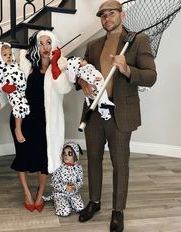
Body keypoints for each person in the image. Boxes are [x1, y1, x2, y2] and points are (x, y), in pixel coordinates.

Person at [76, 1, 157, 231]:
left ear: (121, 14)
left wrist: (127, 69)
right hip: (93, 113)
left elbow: (151, 76)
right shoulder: (93, 45)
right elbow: (81, 72)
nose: (107, 18)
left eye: (111, 13)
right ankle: (94, 202)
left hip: (120, 113)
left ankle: (118, 211)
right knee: (92, 159)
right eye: (103, 15)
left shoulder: (137, 40)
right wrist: (81, 81)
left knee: (120, 163)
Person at [9, 30, 73, 212]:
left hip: (46, 124)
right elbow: (17, 95)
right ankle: (27, 193)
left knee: (43, 160)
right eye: (42, 43)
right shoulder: (28, 67)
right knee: (22, 158)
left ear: (54, 45)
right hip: (23, 120)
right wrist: (17, 127)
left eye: (49, 42)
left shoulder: (59, 67)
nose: (46, 47)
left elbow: (64, 89)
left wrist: (55, 65)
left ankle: (40, 194)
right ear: (37, 46)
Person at [0, 42, 30, 143]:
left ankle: (21, 127)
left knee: (25, 107)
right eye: (4, 55)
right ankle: (18, 129)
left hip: (22, 89)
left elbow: (21, 73)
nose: (8, 56)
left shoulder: (14, 65)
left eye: (9, 54)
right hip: (13, 91)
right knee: (20, 105)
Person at [50, 141, 84, 216]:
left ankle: (70, 202)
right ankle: (58, 201)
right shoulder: (59, 167)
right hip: (60, 194)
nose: (66, 156)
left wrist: (75, 186)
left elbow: (80, 181)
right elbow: (54, 182)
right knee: (65, 211)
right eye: (64, 153)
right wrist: (65, 187)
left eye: (70, 154)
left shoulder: (78, 168)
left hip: (73, 193)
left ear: (75, 155)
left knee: (80, 208)